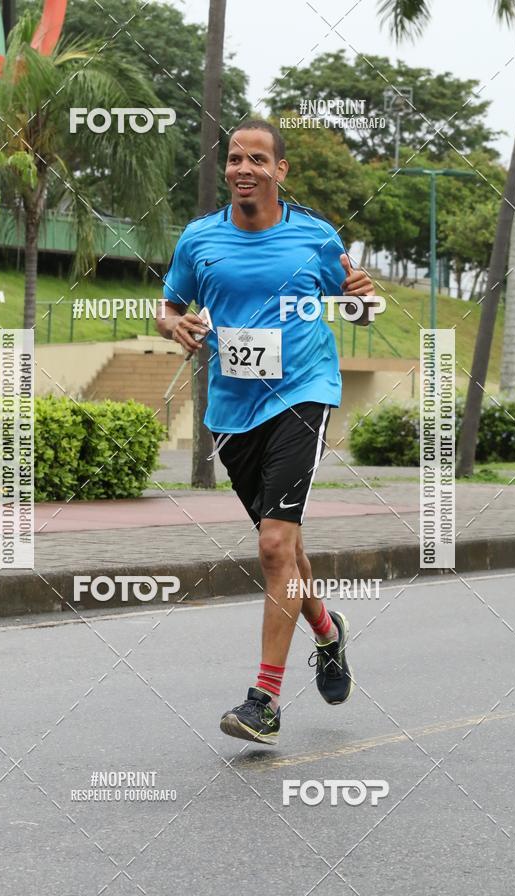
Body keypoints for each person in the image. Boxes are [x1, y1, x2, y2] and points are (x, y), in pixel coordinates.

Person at [156, 119, 374, 744]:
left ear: (281, 172)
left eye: (257, 159)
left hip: (302, 395)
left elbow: (359, 305)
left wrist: (362, 295)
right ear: (225, 170)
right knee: (290, 550)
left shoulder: (314, 236)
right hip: (232, 410)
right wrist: (172, 325)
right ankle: (328, 633)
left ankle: (265, 700)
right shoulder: (200, 240)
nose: (243, 168)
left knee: (275, 545)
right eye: (233, 159)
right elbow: (169, 305)